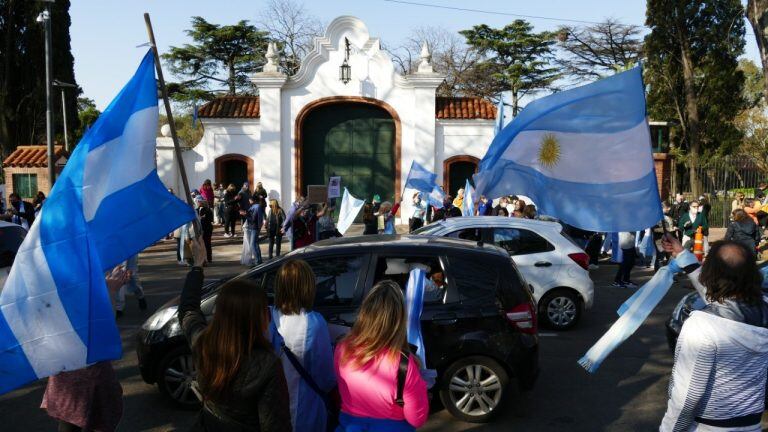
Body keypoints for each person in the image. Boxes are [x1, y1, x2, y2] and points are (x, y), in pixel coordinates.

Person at [179, 239, 292, 431]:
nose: (269, 315)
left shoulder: (204, 343)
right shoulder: (267, 365)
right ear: (256, 319)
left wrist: (197, 267)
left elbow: (188, 311)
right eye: (265, 310)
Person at [659, 237, 768, 432]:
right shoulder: (763, 310)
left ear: (711, 274)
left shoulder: (702, 326)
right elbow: (725, 300)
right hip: (752, 426)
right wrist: (683, 255)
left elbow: (687, 397)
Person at [41, 267, 131, 432]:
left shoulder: (52, 283)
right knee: (80, 422)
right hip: (84, 375)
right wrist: (109, 290)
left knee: (71, 422)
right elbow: (103, 330)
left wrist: (106, 288)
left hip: (67, 373)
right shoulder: (72, 285)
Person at [334, 280, 429, 431]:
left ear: (364, 312)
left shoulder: (342, 348)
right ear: (399, 320)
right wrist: (421, 387)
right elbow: (417, 419)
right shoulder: (404, 363)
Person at [270, 260, 336, 431]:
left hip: (270, 410)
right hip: (304, 412)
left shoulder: (266, 316)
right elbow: (326, 377)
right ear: (308, 287)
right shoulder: (314, 323)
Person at [115, 254, 147, 318]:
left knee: (132, 275)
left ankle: (140, 295)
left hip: (129, 248)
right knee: (119, 274)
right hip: (114, 247)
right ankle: (118, 308)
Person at [243, 196, 265, 266]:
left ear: (252, 200)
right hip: (254, 227)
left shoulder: (256, 207)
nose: (249, 201)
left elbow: (253, 219)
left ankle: (257, 261)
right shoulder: (256, 206)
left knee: (253, 244)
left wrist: (245, 214)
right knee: (255, 244)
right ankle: (259, 260)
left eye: (249, 200)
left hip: (254, 227)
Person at [196, 197, 214, 263]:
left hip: (207, 228)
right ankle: (201, 258)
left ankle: (209, 258)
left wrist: (202, 218)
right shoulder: (196, 210)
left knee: (207, 244)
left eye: (199, 201)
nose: (197, 203)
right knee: (199, 244)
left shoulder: (208, 210)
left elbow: (210, 219)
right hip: (198, 229)